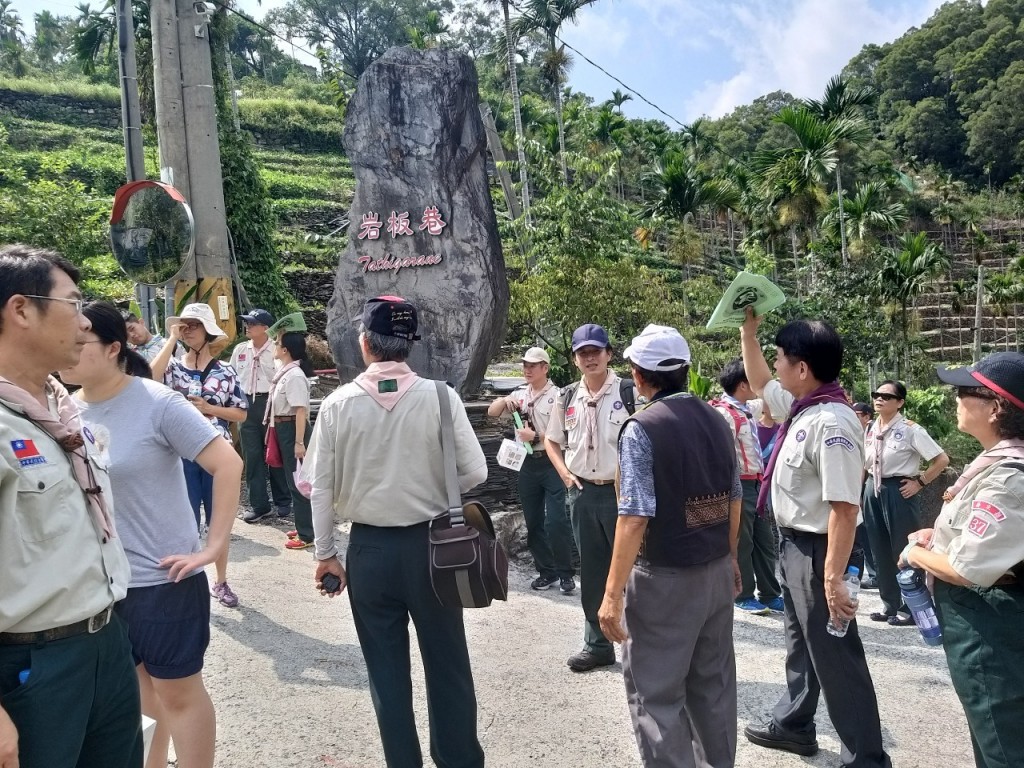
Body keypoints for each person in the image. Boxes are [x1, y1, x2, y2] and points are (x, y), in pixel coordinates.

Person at [304, 296, 487, 768]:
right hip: (435, 548)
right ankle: (459, 760)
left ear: (365, 343)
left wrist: (326, 554)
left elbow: (318, 489)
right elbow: (476, 472)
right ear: (410, 346)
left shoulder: (337, 405)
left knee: (386, 672)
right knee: (448, 664)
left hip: (369, 549)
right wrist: (437, 486)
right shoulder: (442, 397)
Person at [61, 301, 243, 768]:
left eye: (81, 344)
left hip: (164, 579)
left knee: (179, 693)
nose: (68, 352)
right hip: (104, 585)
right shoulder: (62, 411)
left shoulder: (158, 402)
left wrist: (214, 546)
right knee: (139, 692)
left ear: (113, 349)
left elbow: (228, 463)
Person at [0, 244, 143, 768]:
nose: (86, 324)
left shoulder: (63, 413)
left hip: (104, 642)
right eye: (73, 304)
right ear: (21, 310)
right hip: (34, 664)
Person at [739, 309, 892, 768]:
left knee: (836, 654)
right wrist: (749, 333)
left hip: (819, 550)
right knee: (801, 642)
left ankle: (865, 756)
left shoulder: (832, 422)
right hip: (793, 545)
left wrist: (833, 578)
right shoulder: (804, 407)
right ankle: (795, 724)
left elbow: (844, 507)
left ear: (802, 368)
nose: (776, 366)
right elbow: (762, 381)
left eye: (782, 357)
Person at [598, 325, 743, 768]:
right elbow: (735, 494)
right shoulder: (718, 419)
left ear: (639, 376)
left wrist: (612, 593)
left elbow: (635, 514)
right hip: (716, 569)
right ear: (684, 371)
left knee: (656, 695)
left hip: (665, 577)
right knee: (713, 689)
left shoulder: (642, 427)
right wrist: (732, 557)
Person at [901, 352, 1024, 768]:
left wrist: (917, 553)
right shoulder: (996, 463)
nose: (955, 398)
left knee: (1002, 743)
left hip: (991, 628)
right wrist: (938, 536)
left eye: (964, 391)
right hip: (982, 619)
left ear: (995, 408)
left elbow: (968, 568)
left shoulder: (1010, 477)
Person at [544, 323, 633, 673]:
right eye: (583, 352)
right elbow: (552, 440)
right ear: (575, 359)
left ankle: (642, 650)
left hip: (622, 494)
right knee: (593, 571)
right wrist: (565, 474)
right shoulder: (565, 397)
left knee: (634, 572)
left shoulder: (629, 392)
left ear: (609, 354)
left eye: (596, 351)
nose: (590, 357)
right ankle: (596, 645)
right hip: (582, 493)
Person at [150, 303, 247, 608]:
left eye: (194, 325)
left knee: (221, 520)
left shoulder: (225, 370)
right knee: (185, 521)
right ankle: (190, 581)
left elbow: (241, 413)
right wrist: (170, 339)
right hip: (181, 454)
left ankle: (221, 581)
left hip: (217, 452)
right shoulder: (173, 367)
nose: (188, 330)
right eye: (184, 325)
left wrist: (209, 409)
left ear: (208, 331)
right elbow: (149, 378)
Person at [487, 346, 574, 594]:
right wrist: (504, 400)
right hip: (527, 464)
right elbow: (492, 413)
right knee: (533, 520)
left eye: (533, 366)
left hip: (551, 462)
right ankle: (546, 571)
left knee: (556, 520)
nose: (527, 369)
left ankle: (566, 574)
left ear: (545, 368)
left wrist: (535, 435)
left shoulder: (558, 396)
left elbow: (565, 433)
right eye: (525, 365)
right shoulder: (519, 394)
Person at [863, 380, 949, 624]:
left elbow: (941, 459)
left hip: (898, 489)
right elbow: (864, 462)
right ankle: (890, 604)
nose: (879, 399)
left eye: (886, 396)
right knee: (878, 547)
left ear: (900, 402)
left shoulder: (911, 429)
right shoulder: (870, 427)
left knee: (905, 547)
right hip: (873, 487)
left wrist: (920, 482)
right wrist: (860, 493)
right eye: (876, 394)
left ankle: (913, 607)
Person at [712, 357, 783, 615]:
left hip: (757, 483)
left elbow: (767, 399)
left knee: (764, 540)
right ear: (743, 385)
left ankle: (770, 592)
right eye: (752, 381)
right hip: (738, 484)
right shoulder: (722, 413)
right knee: (742, 541)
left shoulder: (744, 407)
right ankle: (742, 593)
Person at [230, 308, 292, 523]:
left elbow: (284, 377)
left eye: (252, 323)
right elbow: (232, 378)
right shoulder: (240, 349)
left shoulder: (277, 350)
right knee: (252, 456)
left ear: (265, 328)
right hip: (246, 404)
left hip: (270, 403)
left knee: (274, 453)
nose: (247, 326)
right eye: (247, 322)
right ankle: (259, 504)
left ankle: (283, 501)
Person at [265, 312, 315, 550]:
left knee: (299, 482)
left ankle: (307, 534)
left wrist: (298, 442)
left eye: (277, 343)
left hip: (291, 428)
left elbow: (300, 411)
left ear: (285, 350)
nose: (274, 345)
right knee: (293, 478)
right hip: (283, 426)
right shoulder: (287, 370)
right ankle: (304, 524)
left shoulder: (294, 375)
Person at [851, 401, 879, 589]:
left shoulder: (874, 431)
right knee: (861, 531)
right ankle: (872, 572)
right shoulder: (852, 430)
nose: (853, 416)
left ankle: (877, 574)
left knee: (871, 530)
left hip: (872, 484)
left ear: (867, 416)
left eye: (857, 414)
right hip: (855, 483)